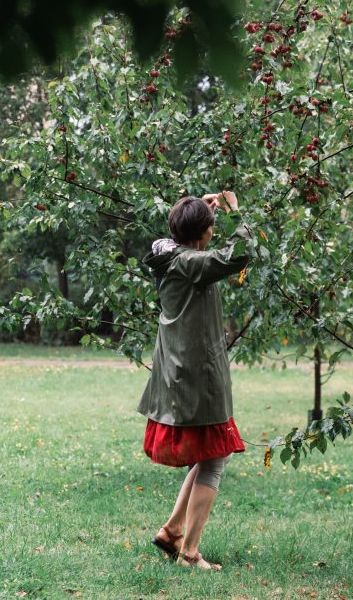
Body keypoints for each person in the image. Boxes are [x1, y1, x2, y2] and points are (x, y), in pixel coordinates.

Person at [137, 190, 252, 571]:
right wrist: (236, 213)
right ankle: (189, 552)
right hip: (197, 374)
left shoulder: (170, 254)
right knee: (215, 459)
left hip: (182, 371)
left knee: (207, 457)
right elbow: (239, 254)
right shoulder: (189, 262)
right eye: (212, 227)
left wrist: (199, 211)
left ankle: (171, 533)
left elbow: (188, 236)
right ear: (202, 234)